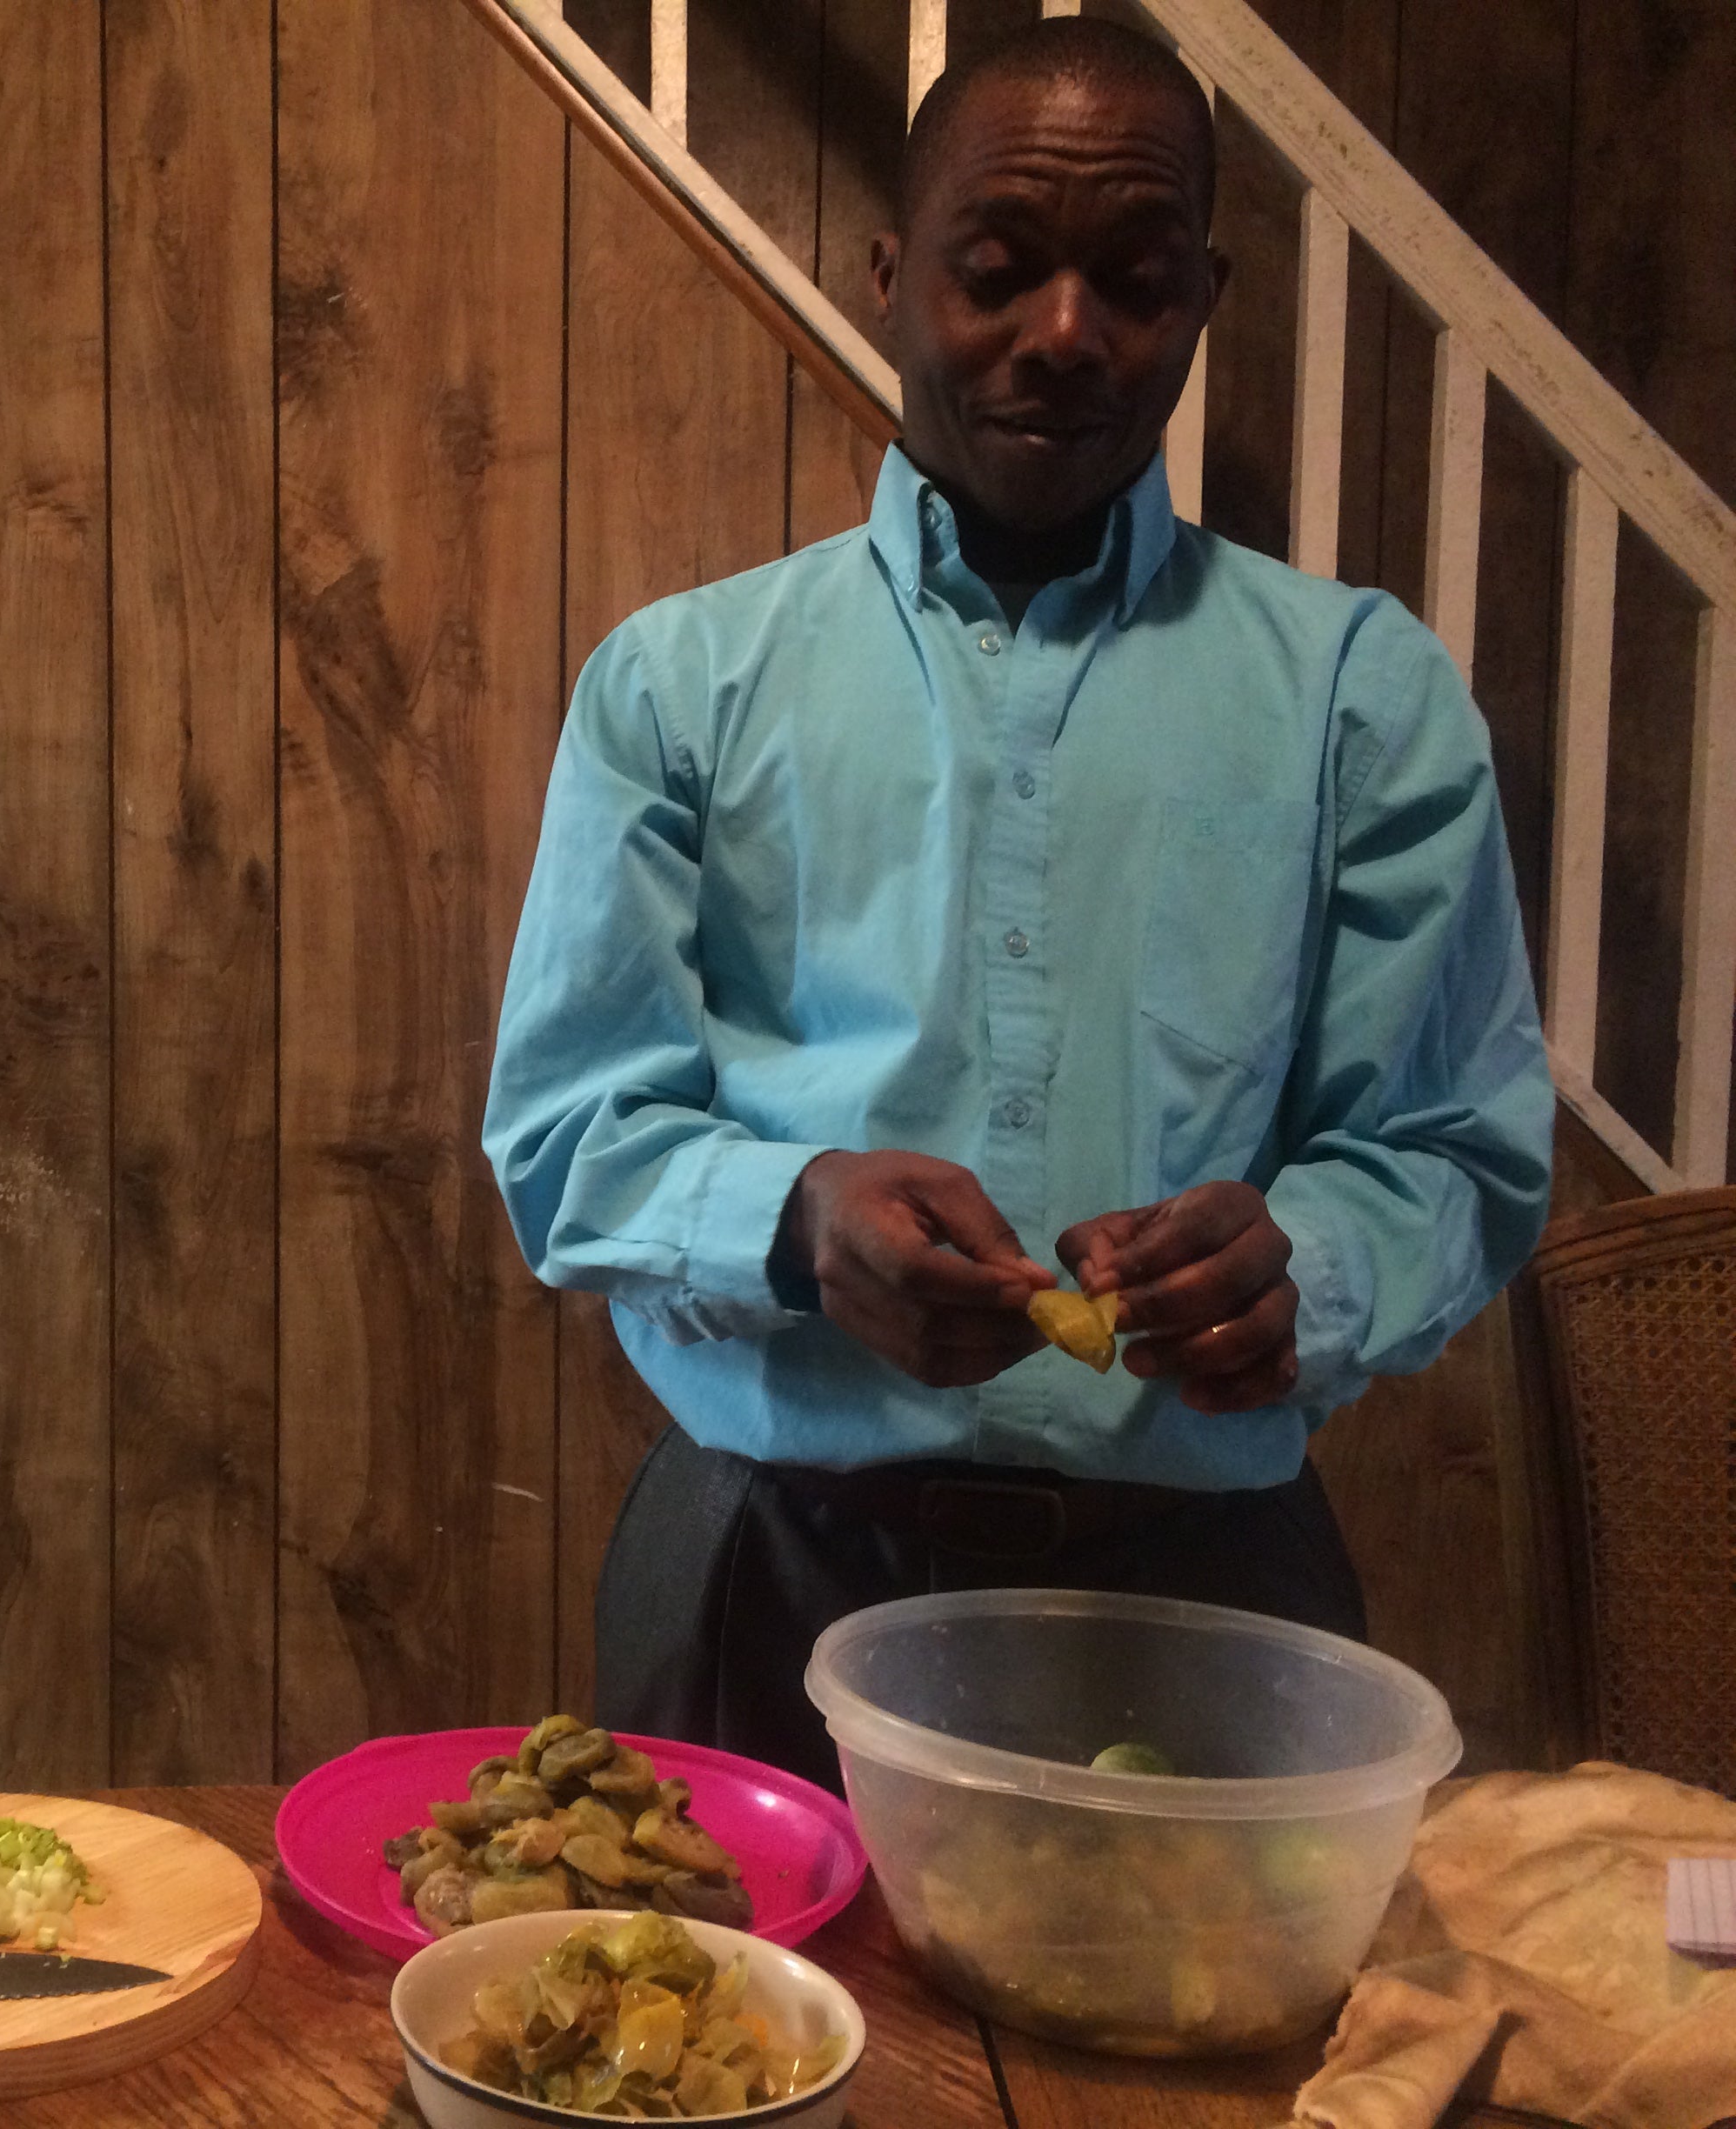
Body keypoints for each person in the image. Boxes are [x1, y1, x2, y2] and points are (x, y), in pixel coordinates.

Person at [480, 17, 1555, 1796]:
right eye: (998, 271)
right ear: (894, 277)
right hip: (764, 1574)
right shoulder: (682, 686)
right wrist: (800, 1215)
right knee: (738, 2059)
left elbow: (1456, 1149)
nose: (1066, 334)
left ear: (1202, 297)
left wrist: (1320, 1265)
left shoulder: (1361, 698)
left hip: (1211, 1593)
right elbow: (562, 1136)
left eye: (1133, 282)